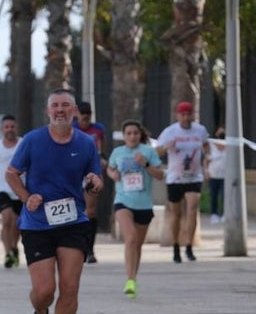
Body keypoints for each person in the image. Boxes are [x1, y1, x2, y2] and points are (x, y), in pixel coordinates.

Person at [6, 88, 104, 314]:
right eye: (55, 106)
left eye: (65, 105)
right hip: (37, 224)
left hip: (73, 222)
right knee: (45, 291)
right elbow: (12, 174)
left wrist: (95, 183)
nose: (60, 110)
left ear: (74, 111)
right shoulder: (33, 141)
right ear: (48, 111)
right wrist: (27, 197)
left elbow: (94, 176)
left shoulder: (86, 143)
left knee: (70, 288)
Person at [106, 119, 164, 297]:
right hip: (123, 201)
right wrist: (113, 174)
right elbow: (110, 169)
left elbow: (160, 175)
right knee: (130, 238)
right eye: (128, 133)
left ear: (140, 135)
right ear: (123, 136)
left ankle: (133, 279)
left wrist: (146, 164)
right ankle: (129, 280)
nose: (132, 136)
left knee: (137, 245)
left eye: (135, 133)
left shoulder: (148, 152)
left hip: (144, 205)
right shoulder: (118, 152)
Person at [157, 101, 209, 262]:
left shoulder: (200, 130)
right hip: (175, 177)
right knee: (176, 213)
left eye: (189, 114)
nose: (186, 118)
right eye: (183, 115)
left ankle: (188, 246)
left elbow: (206, 148)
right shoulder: (170, 131)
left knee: (192, 209)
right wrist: (166, 147)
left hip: (194, 176)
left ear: (192, 114)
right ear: (178, 115)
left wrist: (207, 165)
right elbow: (157, 151)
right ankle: (175, 247)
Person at [0, 115, 23, 268]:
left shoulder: (23, 144)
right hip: (2, 187)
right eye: (6, 127)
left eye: (12, 127)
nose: (9, 130)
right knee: (7, 219)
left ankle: (14, 247)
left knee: (17, 223)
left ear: (16, 128)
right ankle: (7, 253)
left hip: (19, 186)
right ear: (2, 129)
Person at [76, 101, 109, 263]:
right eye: (82, 114)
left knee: (90, 211)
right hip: (75, 171)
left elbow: (102, 148)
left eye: (88, 114)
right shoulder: (72, 129)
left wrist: (102, 159)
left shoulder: (98, 129)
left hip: (92, 171)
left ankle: (89, 249)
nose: (85, 118)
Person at [206, 126, 227, 223]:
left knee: (224, 196)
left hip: (225, 175)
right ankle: (214, 214)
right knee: (213, 195)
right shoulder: (211, 144)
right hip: (213, 174)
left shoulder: (229, 144)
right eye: (219, 130)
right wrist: (206, 171)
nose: (221, 132)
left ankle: (224, 214)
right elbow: (206, 159)